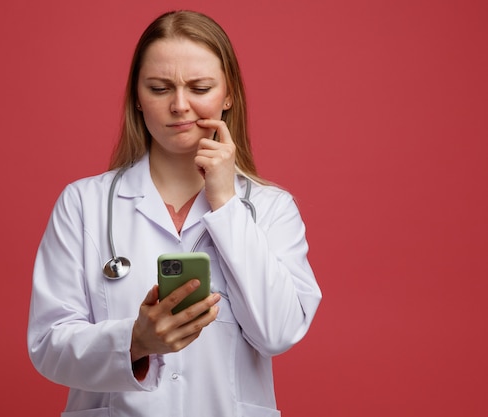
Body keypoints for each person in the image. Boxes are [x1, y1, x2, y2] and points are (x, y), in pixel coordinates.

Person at [28, 10, 322, 417]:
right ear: (137, 96)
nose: (179, 106)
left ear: (229, 94)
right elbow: (48, 345)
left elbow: (279, 332)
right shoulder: (83, 204)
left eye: (199, 87)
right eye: (159, 87)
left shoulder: (270, 209)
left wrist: (226, 205)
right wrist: (136, 341)